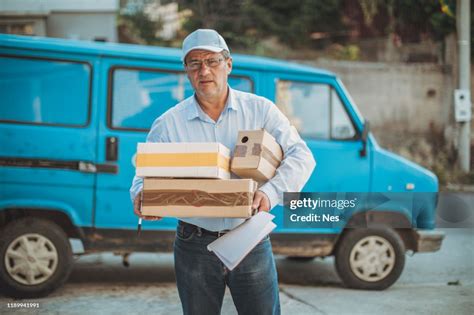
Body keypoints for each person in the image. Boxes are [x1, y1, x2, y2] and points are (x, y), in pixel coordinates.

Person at [130, 29, 316, 315]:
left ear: (228, 65)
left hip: (249, 237)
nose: (204, 70)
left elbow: (301, 155)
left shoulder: (260, 110)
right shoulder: (168, 124)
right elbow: (143, 176)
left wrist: (269, 194)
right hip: (194, 244)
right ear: (186, 71)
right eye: (194, 63)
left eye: (212, 61)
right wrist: (142, 197)